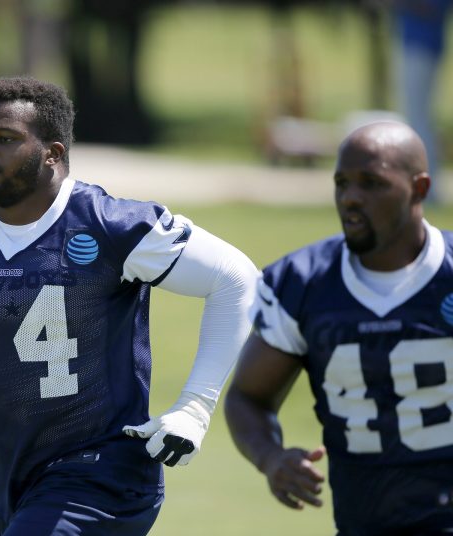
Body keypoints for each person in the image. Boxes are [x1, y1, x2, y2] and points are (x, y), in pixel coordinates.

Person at [0, 76, 258, 535]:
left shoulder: (109, 224)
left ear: (52, 154)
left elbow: (236, 278)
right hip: (12, 476)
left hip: (104, 472)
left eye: (5, 139)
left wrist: (195, 408)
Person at [224, 121, 453, 535]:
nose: (350, 198)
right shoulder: (303, 283)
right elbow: (247, 397)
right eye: (341, 183)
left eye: (372, 183)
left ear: (418, 188)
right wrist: (271, 457)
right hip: (364, 523)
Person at [390, 0, 452, 202]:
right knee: (415, 118)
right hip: (412, 44)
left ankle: (426, 187)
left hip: (423, 45)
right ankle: (420, 185)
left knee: (419, 121)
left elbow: (431, 8)